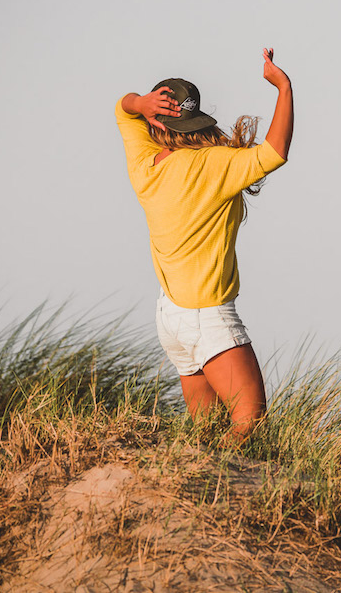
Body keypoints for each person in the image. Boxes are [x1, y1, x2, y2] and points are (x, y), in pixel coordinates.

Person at [115, 48, 293, 444]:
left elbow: (122, 110)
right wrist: (284, 88)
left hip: (170, 317)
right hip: (207, 316)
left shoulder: (146, 166)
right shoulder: (214, 163)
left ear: (155, 121)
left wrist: (138, 104)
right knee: (249, 422)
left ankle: (196, 498)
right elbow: (275, 151)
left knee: (205, 436)